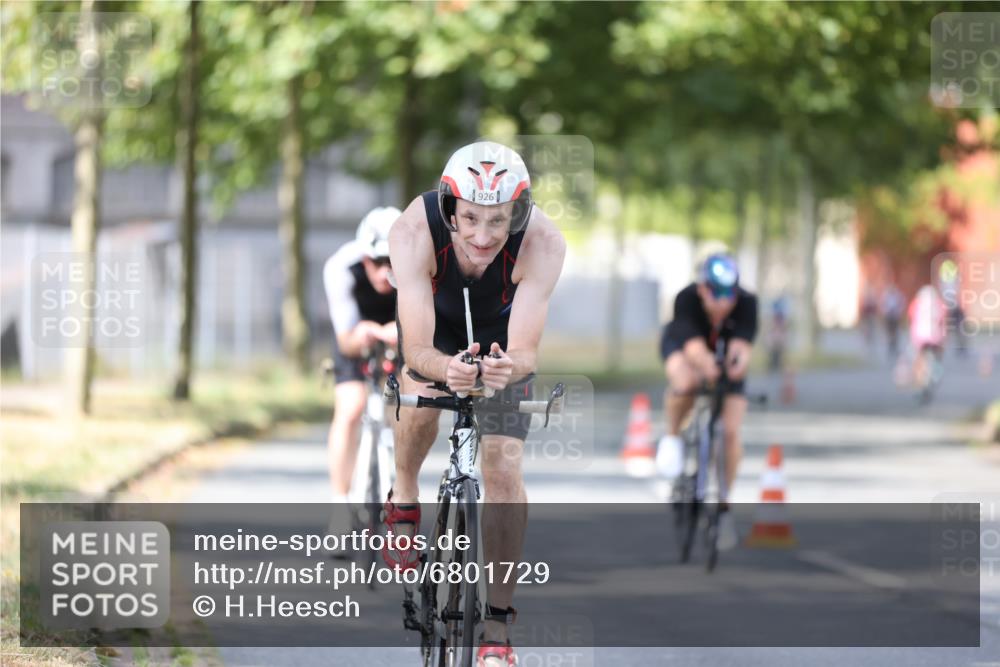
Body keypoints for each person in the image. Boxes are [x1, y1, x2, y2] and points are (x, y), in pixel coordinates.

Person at [385, 141, 565, 666]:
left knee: (505, 470)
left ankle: (497, 628)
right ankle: (402, 499)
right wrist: (446, 369)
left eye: (498, 221)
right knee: (419, 390)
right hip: (433, 333)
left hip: (501, 344)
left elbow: (527, 350)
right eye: (470, 219)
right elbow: (415, 348)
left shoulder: (544, 243)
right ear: (449, 209)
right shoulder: (412, 232)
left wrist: (506, 369)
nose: (484, 237)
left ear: (519, 213)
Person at [657, 253, 758, 551]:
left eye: (730, 294)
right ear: (702, 289)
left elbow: (742, 347)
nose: (724, 302)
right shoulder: (686, 299)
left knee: (729, 432)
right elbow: (694, 349)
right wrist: (709, 368)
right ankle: (673, 438)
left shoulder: (747, 303)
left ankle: (723, 508)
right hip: (687, 348)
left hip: (722, 353)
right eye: (717, 293)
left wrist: (735, 365)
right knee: (687, 383)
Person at [322, 207, 400, 546]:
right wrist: (369, 332)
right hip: (357, 332)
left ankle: (402, 498)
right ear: (364, 257)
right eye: (377, 262)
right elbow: (347, 340)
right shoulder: (340, 267)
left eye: (393, 261)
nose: (386, 272)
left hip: (402, 332)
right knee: (351, 407)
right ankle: (341, 507)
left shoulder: (422, 266)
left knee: (406, 411)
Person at [908, 284, 948, 388]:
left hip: (920, 336)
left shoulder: (917, 303)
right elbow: (943, 318)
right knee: (938, 353)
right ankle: (937, 370)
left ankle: (918, 378)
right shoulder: (938, 303)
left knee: (919, 357)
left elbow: (911, 316)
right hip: (935, 336)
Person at [882, 284, 904, 360]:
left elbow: (901, 304)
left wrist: (898, 312)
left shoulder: (897, 296)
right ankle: (890, 346)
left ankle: (894, 346)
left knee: (895, 333)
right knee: (889, 333)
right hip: (889, 316)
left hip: (895, 316)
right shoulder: (887, 296)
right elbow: (884, 306)